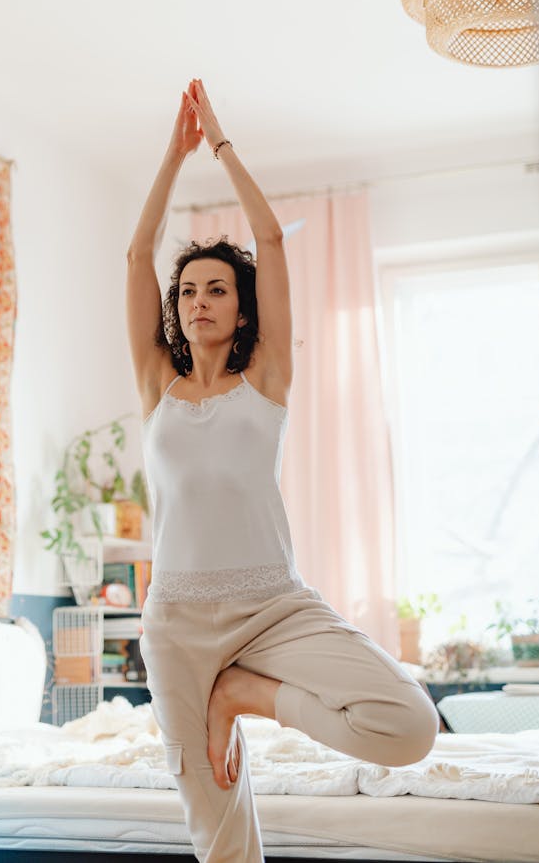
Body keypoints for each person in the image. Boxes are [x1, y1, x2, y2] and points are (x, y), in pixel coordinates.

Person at [125, 79, 438, 863]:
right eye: (189, 289)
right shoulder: (155, 386)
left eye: (217, 289)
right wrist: (171, 156)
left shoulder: (264, 380)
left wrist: (219, 146)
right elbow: (137, 253)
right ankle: (224, 700)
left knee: (410, 723)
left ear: (241, 309)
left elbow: (271, 240)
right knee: (218, 830)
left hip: (273, 606)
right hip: (176, 627)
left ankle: (247, 694)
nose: (200, 299)